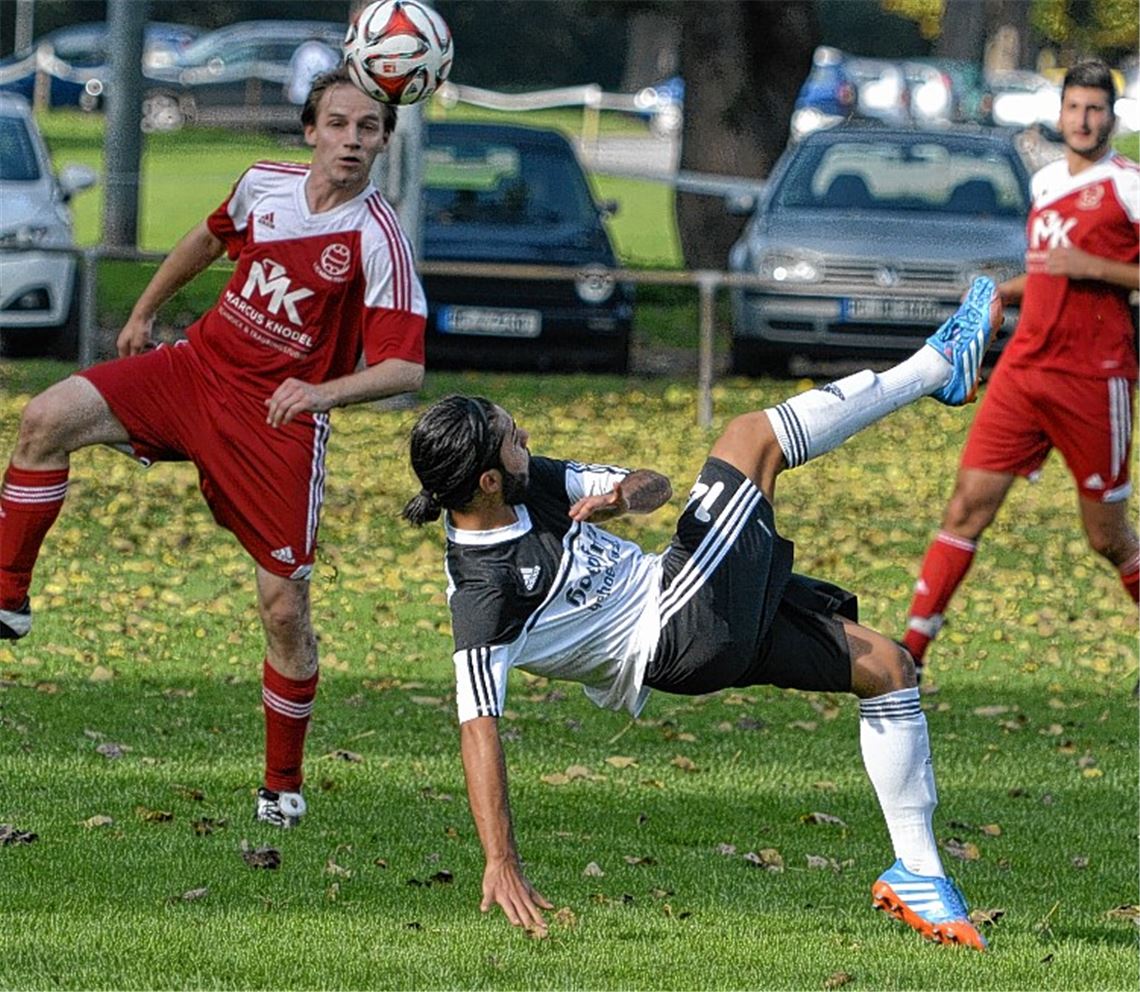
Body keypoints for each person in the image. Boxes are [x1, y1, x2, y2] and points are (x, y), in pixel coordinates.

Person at [402, 277, 1002, 949]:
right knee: (751, 438)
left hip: (687, 593)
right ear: (485, 480)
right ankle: (941, 367)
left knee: (888, 667)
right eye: (513, 438)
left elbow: (653, 484)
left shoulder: (528, 480)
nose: (526, 438)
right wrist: (501, 860)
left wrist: (625, 496)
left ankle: (920, 876)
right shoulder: (483, 595)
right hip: (675, 628)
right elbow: (478, 730)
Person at [0, 67, 427, 828]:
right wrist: (144, 311)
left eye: (368, 129)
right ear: (310, 131)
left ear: (385, 143)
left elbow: (405, 366)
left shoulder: (378, 237)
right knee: (44, 419)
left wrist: (319, 392)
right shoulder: (263, 184)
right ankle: (7, 598)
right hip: (193, 371)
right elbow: (206, 237)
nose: (351, 140)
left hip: (275, 424)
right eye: (338, 124)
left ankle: (282, 787)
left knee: (284, 609)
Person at [901, 60, 1139, 680]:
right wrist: (999, 292)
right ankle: (909, 657)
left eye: (1095, 109)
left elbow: (1077, 266)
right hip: (1023, 372)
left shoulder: (1128, 185)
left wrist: (1093, 265)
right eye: (1074, 108)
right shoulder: (1045, 183)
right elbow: (1047, 271)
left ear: (1111, 117)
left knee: (1107, 539)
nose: (1083, 120)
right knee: (965, 508)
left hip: (1095, 379)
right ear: (1059, 114)